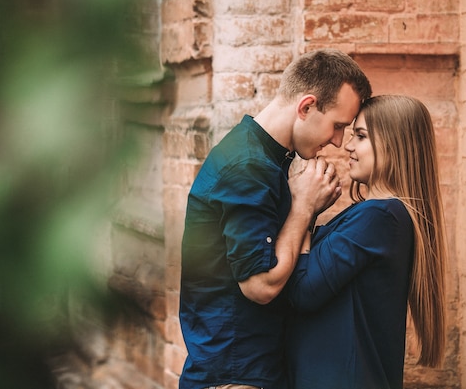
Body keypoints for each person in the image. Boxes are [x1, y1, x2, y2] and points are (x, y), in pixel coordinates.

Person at [179, 49, 373, 389]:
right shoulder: (248, 166)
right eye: (338, 126)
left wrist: (307, 209)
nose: (339, 142)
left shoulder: (267, 159)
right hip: (234, 376)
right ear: (306, 106)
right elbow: (259, 285)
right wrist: (302, 208)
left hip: (253, 370)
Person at [285, 95, 448, 389]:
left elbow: (303, 291)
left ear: (395, 144)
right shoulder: (378, 215)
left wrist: (303, 210)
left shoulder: (380, 216)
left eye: (360, 136)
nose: (348, 146)